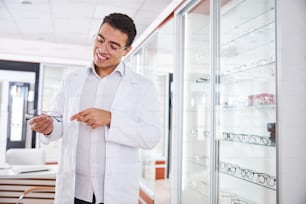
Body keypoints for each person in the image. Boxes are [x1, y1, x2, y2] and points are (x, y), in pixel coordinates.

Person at [29, 13, 161, 204]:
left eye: (113, 46)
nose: (102, 49)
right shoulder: (72, 80)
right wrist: (48, 126)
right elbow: (58, 122)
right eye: (100, 39)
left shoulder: (142, 87)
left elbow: (151, 136)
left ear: (127, 50)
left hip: (115, 192)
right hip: (74, 190)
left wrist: (110, 119)